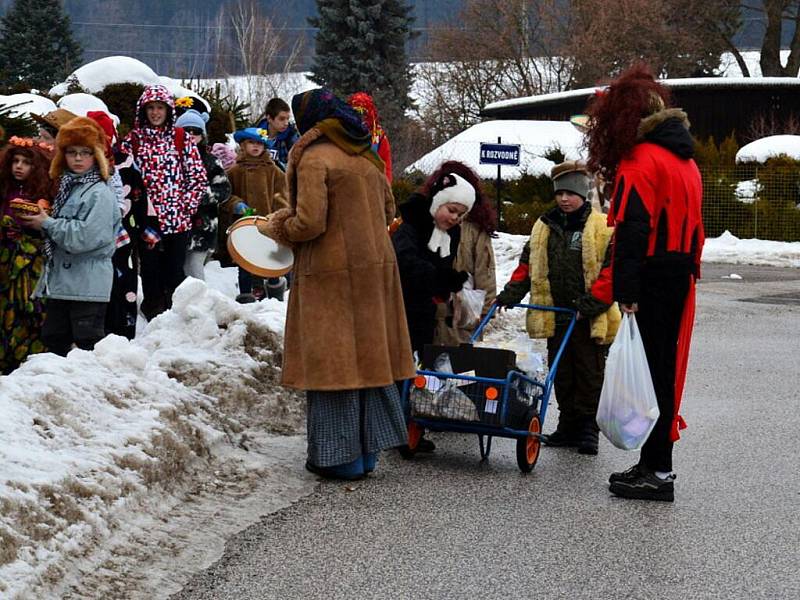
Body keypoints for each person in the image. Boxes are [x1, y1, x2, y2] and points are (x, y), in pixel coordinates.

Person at [258, 88, 414, 480]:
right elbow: (389, 210)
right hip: (375, 271)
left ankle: (338, 458)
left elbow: (309, 223)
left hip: (331, 275)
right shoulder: (366, 156)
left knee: (336, 366)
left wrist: (277, 226)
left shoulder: (314, 158)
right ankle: (367, 455)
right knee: (370, 362)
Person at [585, 64, 705, 501]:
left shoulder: (641, 160)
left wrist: (626, 290)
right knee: (664, 371)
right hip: (679, 275)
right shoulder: (686, 160)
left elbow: (634, 228)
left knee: (651, 373)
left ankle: (655, 471)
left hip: (652, 273)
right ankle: (658, 464)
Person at [495, 160, 621, 455]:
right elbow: (529, 264)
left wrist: (591, 304)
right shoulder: (544, 226)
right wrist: (510, 294)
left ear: (582, 194)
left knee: (589, 374)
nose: (564, 199)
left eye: (570, 193)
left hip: (588, 315)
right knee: (562, 372)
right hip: (558, 314)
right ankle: (568, 425)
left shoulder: (601, 227)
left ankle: (588, 429)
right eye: (559, 194)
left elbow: (610, 270)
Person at [21, 117, 120, 356]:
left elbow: (85, 238)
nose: (77, 158)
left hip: (88, 283)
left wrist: (48, 223)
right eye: (72, 152)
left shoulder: (99, 193)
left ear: (95, 155)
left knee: (87, 344)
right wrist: (38, 223)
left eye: (84, 153)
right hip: (63, 282)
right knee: (54, 340)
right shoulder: (69, 186)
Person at [120, 85, 208, 321]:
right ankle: (154, 315)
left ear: (169, 110)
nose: (156, 113)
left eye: (160, 108)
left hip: (177, 221)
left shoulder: (182, 139)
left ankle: (178, 316)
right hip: (148, 222)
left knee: (175, 270)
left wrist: (186, 207)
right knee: (150, 270)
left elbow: (198, 177)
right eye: (151, 108)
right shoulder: (133, 141)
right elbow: (123, 178)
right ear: (143, 110)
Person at [393, 161, 497, 354]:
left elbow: (485, 270)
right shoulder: (415, 226)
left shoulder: (465, 230)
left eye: (460, 213)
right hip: (414, 312)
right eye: (451, 210)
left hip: (457, 313)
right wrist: (440, 279)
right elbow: (406, 262)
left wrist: (483, 310)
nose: (454, 217)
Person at [0, 137, 54, 373]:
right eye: (15, 161)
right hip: (5, 260)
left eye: (25, 163)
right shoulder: (5, 189)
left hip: (31, 263)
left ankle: (29, 362)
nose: (18, 166)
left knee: (29, 311)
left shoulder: (42, 194)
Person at [223, 126, 289, 303]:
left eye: (259, 143)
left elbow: (283, 194)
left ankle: (274, 293)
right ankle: (246, 295)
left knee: (270, 258)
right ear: (243, 145)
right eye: (251, 142)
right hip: (245, 226)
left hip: (268, 225)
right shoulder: (235, 171)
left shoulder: (273, 170)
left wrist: (278, 214)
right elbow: (225, 194)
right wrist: (236, 204)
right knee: (244, 260)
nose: (255, 146)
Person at [175, 109, 231, 281]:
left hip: (203, 225)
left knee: (194, 267)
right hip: (177, 224)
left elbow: (224, 190)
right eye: (186, 131)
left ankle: (200, 302)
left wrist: (198, 195)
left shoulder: (210, 160)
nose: (191, 136)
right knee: (178, 267)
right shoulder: (171, 158)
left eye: (196, 132)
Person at [347, 92, 393, 183]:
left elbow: (386, 168)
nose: (359, 117)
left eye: (363, 113)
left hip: (372, 185)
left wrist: (385, 190)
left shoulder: (378, 137)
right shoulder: (342, 131)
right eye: (355, 112)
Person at [256, 97, 299, 171]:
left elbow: (297, 162)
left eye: (287, 118)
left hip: (283, 177)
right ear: (269, 118)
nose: (286, 123)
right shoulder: (255, 135)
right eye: (281, 119)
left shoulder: (291, 135)